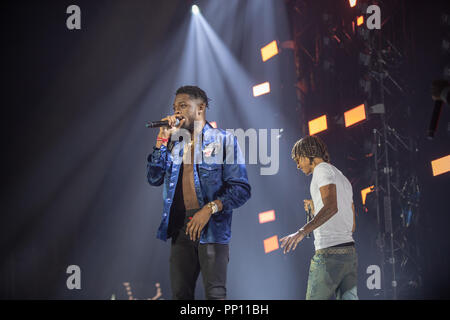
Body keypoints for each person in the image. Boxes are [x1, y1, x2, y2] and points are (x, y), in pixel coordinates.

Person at [146, 85, 251, 300]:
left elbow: (241, 189)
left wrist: (209, 208)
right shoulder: (174, 145)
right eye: (175, 107)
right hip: (180, 227)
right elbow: (154, 178)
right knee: (180, 295)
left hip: (211, 226)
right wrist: (161, 141)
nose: (177, 112)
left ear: (201, 107)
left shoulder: (224, 140)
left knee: (215, 294)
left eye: (183, 106)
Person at [280, 135, 358, 300]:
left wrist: (301, 232)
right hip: (349, 254)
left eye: (298, 159)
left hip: (329, 254)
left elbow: (331, 207)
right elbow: (350, 226)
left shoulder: (321, 170)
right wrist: (316, 209)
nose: (297, 165)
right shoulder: (341, 177)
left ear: (308, 154)